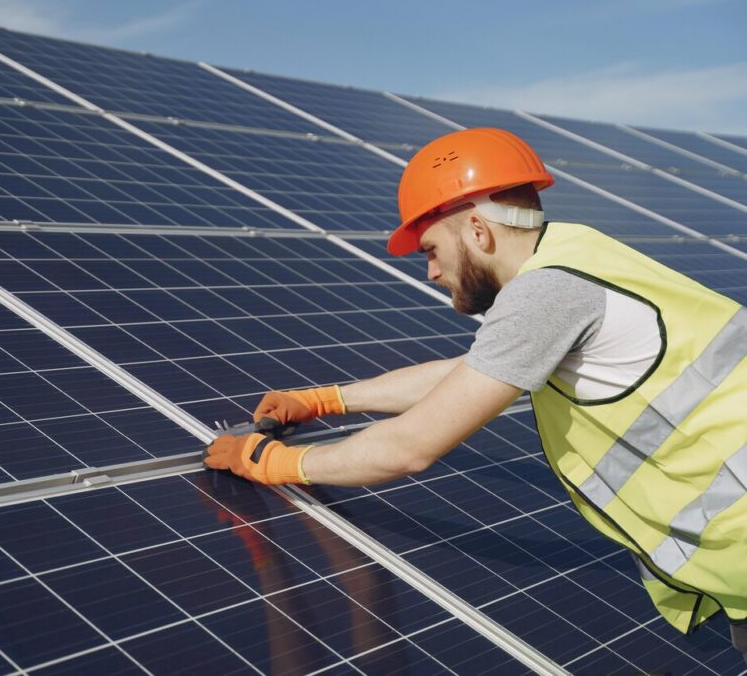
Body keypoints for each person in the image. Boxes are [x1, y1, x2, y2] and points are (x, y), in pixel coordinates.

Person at [203, 127, 747, 660]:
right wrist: (328, 398)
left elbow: (409, 448)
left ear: (480, 232)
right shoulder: (576, 254)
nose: (433, 271)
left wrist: (272, 463)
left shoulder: (546, 294)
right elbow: (471, 373)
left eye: (432, 250)